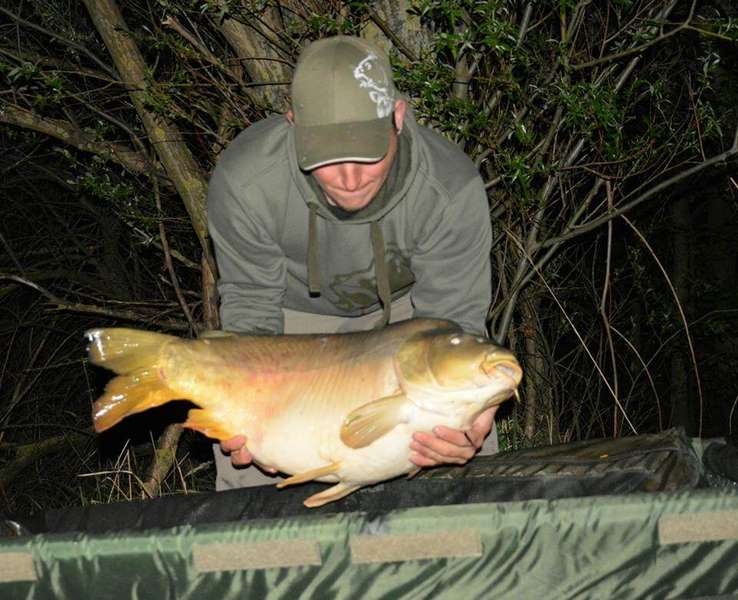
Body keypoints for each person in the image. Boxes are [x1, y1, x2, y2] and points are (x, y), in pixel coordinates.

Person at [207, 35, 498, 490]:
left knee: (458, 439)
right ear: (293, 126)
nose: (348, 179)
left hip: (408, 317)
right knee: (248, 454)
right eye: (327, 158)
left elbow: (452, 320)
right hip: (292, 320)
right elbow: (251, 309)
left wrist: (471, 412)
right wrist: (248, 397)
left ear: (397, 117)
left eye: (366, 153)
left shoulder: (449, 189)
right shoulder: (246, 182)